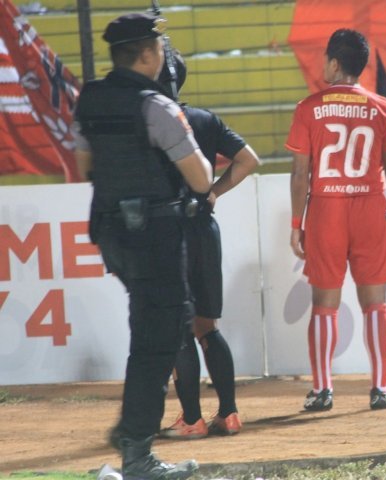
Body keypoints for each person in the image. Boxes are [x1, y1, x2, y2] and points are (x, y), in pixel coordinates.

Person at [73, 12, 212, 478]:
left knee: (148, 326)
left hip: (113, 234)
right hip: (154, 234)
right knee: (161, 335)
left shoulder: (89, 98)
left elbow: (84, 165)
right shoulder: (157, 106)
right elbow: (201, 178)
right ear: (149, 54)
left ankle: (132, 437)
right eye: (160, 48)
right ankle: (136, 451)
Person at [286, 29, 386, 412]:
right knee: (376, 302)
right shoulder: (383, 107)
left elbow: (300, 174)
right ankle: (381, 388)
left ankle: (322, 390)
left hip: (327, 208)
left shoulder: (308, 108)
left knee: (324, 303)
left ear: (335, 63)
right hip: (371, 205)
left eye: (325, 59)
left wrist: (295, 222)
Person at [155, 52, 261, 439]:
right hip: (204, 228)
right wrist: (213, 192)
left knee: (181, 330)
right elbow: (249, 160)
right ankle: (229, 414)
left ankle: (192, 419)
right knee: (208, 328)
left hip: (169, 233)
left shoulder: (150, 119)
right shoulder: (204, 118)